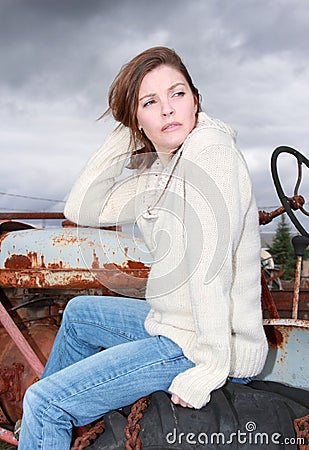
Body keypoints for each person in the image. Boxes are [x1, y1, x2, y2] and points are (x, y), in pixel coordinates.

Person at [18, 46, 268, 449]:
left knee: (45, 402)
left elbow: (210, 273)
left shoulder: (212, 157)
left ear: (196, 99)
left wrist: (210, 368)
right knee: (81, 313)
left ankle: (44, 421)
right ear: (137, 118)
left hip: (208, 344)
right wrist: (128, 130)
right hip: (179, 325)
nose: (169, 110)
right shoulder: (164, 168)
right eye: (150, 102)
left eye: (178, 94)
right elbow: (81, 206)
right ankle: (44, 431)